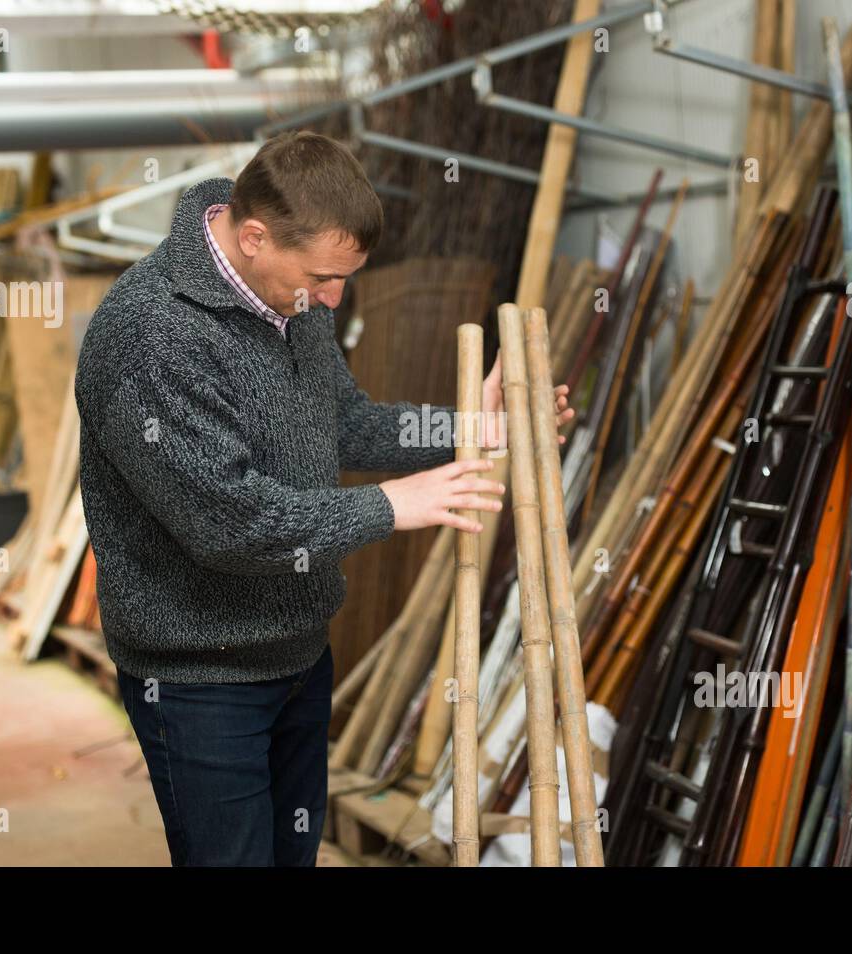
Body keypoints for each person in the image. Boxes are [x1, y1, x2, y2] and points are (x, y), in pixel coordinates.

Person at [74, 130, 572, 866]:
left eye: (344, 280)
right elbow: (228, 523)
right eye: (322, 278)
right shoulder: (151, 334)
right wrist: (392, 506)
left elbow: (344, 424)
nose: (332, 300)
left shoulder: (293, 292)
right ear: (253, 236)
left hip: (298, 655)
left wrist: (472, 426)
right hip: (199, 677)